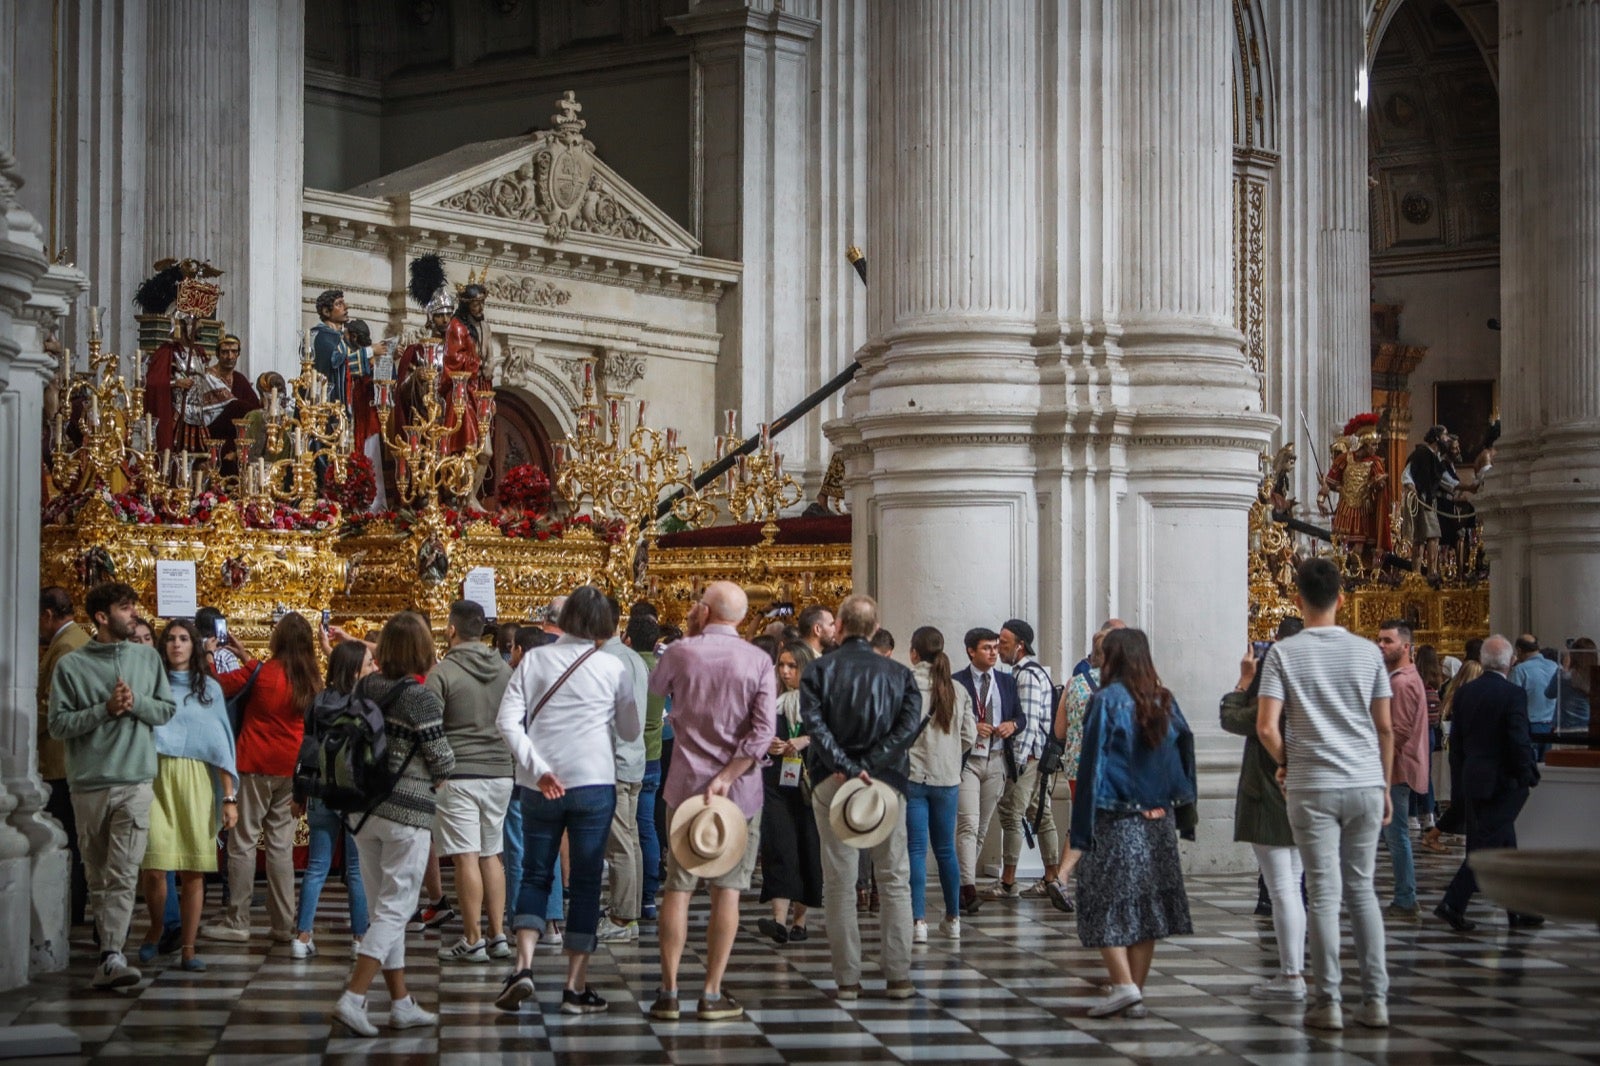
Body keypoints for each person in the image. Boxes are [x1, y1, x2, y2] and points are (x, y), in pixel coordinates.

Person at [1256, 558, 1394, 1032]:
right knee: (1362, 891)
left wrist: (1287, 763)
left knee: (1323, 892)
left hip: (1312, 785)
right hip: (1364, 782)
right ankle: (1375, 1001)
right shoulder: (1368, 652)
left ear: (1298, 599)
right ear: (1341, 598)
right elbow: (1386, 728)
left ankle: (1328, 1002)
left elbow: (1266, 727)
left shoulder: (1284, 654)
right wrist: (1384, 782)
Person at [494, 588, 638, 1016]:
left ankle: (523, 966)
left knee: (535, 874)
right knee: (589, 881)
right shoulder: (613, 666)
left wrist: (538, 767)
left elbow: (506, 721)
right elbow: (630, 731)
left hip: (540, 785)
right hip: (593, 782)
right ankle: (575, 985)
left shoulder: (535, 659)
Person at [646, 581, 776, 1022]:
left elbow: (655, 688)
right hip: (739, 793)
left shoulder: (682, 652)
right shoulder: (759, 660)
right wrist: (727, 776)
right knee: (728, 892)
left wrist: (688, 634)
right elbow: (762, 733)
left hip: (684, 787)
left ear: (704, 610)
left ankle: (668, 991)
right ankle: (712, 991)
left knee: (677, 889)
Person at [330, 612, 455, 1035]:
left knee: (384, 904)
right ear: (423, 650)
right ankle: (354, 997)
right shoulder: (421, 698)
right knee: (396, 908)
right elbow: (443, 758)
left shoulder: (366, 685)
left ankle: (400, 1002)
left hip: (363, 810)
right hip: (406, 812)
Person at [47, 581, 176, 988]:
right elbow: (58, 724)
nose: (134, 613)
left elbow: (166, 709)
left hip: (136, 779)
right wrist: (105, 710)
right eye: (125, 608)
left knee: (123, 872)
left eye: (133, 606)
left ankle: (113, 954)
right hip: (88, 782)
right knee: (99, 874)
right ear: (102, 617)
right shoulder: (71, 666)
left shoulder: (147, 659)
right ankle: (108, 949)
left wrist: (136, 703)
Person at [799, 594, 922, 1002]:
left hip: (832, 780)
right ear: (874, 628)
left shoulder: (818, 671)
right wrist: (871, 764)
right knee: (894, 880)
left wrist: (846, 766)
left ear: (840, 625)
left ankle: (848, 980)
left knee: (839, 882)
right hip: (886, 783)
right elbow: (907, 731)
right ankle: (899, 976)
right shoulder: (900, 675)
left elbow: (814, 726)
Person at [1071, 628, 1195, 1018]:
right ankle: (1134, 991)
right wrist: (1177, 806)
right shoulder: (1164, 699)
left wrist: (1081, 824)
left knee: (1102, 897)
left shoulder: (1105, 700)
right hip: (1158, 818)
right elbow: (1183, 752)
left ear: (1115, 658)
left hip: (1116, 817)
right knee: (1148, 905)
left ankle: (1124, 984)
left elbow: (1093, 763)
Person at [201, 613, 320, 944]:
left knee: (244, 841)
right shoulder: (310, 678)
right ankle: (283, 924)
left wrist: (211, 655)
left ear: (277, 640)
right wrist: (244, 654)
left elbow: (218, 686)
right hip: (291, 767)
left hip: (255, 763)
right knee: (281, 846)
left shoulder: (263, 672)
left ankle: (238, 919)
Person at [138, 619, 237, 971]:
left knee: (193, 870)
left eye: (183, 639)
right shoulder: (152, 684)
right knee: (154, 865)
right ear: (162, 646)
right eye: (171, 639)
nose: (177, 645)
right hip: (157, 776)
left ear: (194, 645)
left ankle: (190, 947)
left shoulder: (208, 688)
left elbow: (221, 744)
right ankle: (156, 928)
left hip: (197, 779)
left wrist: (228, 798)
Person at [425, 600, 515, 964]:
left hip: (458, 775)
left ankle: (472, 937)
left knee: (466, 856)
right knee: (492, 854)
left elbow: (429, 730)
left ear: (451, 630)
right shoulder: (506, 671)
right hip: (499, 773)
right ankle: (498, 935)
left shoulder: (442, 673)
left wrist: (435, 774)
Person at [1223, 617, 1307, 1001]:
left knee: (1284, 889)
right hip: (1305, 793)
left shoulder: (1275, 688)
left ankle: (1292, 975)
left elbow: (1233, 718)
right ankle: (1297, 971)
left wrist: (1243, 680)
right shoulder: (1312, 686)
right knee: (1295, 885)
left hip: (1273, 794)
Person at [1432, 635, 1541, 932]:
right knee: (1487, 848)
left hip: (1474, 779)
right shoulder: (1512, 694)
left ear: (1482, 661)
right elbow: (1518, 739)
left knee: (1506, 845)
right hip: (1504, 783)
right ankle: (1452, 903)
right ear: (1510, 662)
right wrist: (1528, 773)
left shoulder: (1465, 693)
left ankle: (1519, 909)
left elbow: (1458, 743)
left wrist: (1458, 786)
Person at [291, 641, 373, 960]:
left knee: (316, 867)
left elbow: (306, 750)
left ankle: (302, 936)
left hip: (320, 790)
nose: (373, 668)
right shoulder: (367, 704)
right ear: (355, 671)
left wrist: (300, 794)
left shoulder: (317, 702)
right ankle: (359, 939)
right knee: (356, 869)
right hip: (354, 795)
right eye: (368, 664)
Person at [1042, 620, 1127, 914]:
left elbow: (1060, 730)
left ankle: (1063, 877)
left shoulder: (1075, 683)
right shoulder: (1123, 685)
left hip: (1078, 767)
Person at [905, 626, 975, 943]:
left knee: (916, 851)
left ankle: (918, 922)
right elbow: (970, 736)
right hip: (947, 779)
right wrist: (948, 755)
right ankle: (953, 918)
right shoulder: (957, 690)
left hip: (913, 777)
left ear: (914, 653)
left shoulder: (906, 685)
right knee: (946, 850)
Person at [757, 640, 823, 945]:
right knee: (779, 846)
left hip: (810, 784)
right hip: (775, 782)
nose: (784, 672)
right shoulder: (771, 700)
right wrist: (767, 742)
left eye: (791, 666)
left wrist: (804, 740)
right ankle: (778, 921)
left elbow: (830, 734)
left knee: (807, 847)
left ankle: (800, 920)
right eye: (781, 665)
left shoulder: (818, 701)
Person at [953, 627, 1019, 914]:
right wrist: (969, 727)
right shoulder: (957, 682)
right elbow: (946, 719)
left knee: (980, 828)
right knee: (967, 823)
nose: (994, 652)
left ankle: (959, 885)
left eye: (996, 647)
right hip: (968, 759)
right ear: (971, 651)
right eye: (987, 648)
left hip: (996, 758)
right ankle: (967, 888)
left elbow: (1020, 715)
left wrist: (1012, 725)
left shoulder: (1005, 681)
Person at [597, 595, 651, 943]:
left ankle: (621, 917)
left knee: (619, 844)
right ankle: (628, 909)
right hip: (634, 758)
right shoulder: (633, 658)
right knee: (629, 839)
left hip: (613, 763)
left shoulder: (603, 662)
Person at [992, 619, 1058, 898]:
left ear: (1020, 646)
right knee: (1039, 814)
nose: (999, 649)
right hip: (1038, 757)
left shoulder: (1027, 676)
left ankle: (1008, 881)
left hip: (1029, 758)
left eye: (1004, 643)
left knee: (1011, 813)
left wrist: (1016, 764)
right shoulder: (1028, 673)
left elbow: (1027, 723)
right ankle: (1052, 877)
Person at [38, 586, 91, 928]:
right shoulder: (78, 639)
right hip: (70, 756)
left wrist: (18, 729)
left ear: (47, 614)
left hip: (59, 759)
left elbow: (50, 705)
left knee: (67, 839)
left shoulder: (66, 645)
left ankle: (71, 908)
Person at [1377, 620, 1429, 919]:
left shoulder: (1402, 682)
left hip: (1395, 771)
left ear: (1406, 646)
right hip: (1394, 769)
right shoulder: (1400, 677)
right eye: (1380, 640)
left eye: (1388, 641)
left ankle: (1406, 898)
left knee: (1396, 836)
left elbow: (1397, 732)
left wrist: (1379, 769)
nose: (1382, 645)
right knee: (1391, 835)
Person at [626, 611, 666, 922]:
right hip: (654, 755)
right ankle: (649, 897)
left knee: (629, 832)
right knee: (648, 829)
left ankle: (630, 897)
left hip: (630, 757)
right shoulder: (661, 669)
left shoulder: (629, 667)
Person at [204, 333, 262, 475]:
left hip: (238, 438)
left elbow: (256, 410)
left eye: (233, 352)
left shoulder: (239, 379)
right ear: (217, 354)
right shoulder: (208, 377)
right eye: (225, 352)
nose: (229, 356)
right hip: (214, 437)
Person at [1509, 634, 1560, 750]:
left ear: (1519, 650)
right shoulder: (1554, 666)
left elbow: (1512, 699)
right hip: (1552, 724)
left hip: (1530, 725)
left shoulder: (1520, 670)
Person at [311, 289, 352, 406]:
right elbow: (338, 360)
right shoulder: (320, 336)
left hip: (341, 403)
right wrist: (370, 352)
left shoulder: (340, 338)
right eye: (339, 304)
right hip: (323, 404)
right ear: (326, 312)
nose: (346, 307)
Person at [1548, 638, 1596, 732]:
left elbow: (1549, 693)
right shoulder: (1595, 677)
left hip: (1566, 729)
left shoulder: (1565, 677)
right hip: (1590, 728)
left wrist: (1564, 667)